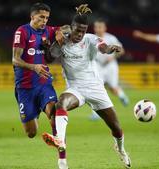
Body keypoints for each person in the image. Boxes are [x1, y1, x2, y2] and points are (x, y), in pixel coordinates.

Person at [42, 4, 131, 168]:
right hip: (76, 89)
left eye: (83, 31)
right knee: (61, 102)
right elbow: (49, 57)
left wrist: (110, 48)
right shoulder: (63, 40)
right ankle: (60, 145)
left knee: (116, 128)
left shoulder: (90, 39)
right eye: (77, 31)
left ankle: (121, 149)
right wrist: (58, 42)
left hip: (96, 89)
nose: (80, 35)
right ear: (72, 27)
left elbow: (103, 48)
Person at [12, 3, 67, 168]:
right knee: (31, 133)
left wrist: (59, 32)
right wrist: (34, 67)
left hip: (44, 85)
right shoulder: (22, 32)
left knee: (54, 113)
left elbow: (66, 27)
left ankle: (62, 158)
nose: (44, 21)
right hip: (25, 88)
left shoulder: (48, 31)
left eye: (47, 18)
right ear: (32, 16)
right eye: (41, 17)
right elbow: (15, 60)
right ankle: (33, 113)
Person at [90, 18, 129, 120]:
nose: (98, 29)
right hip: (97, 65)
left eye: (100, 27)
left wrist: (113, 56)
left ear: (105, 28)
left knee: (113, 87)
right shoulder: (91, 38)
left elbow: (122, 50)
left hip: (110, 65)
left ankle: (121, 95)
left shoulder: (111, 38)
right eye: (96, 27)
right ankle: (95, 113)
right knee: (97, 88)